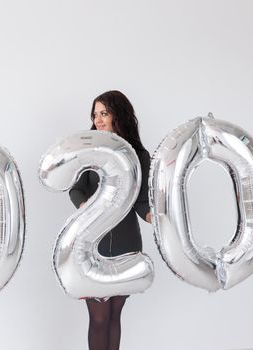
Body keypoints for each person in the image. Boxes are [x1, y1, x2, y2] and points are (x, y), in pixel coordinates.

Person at [69, 90, 151, 350]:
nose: (98, 119)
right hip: (93, 244)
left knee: (115, 313)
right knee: (99, 316)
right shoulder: (90, 151)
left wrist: (153, 216)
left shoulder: (139, 154)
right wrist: (87, 208)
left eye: (104, 113)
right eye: (95, 115)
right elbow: (76, 188)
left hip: (127, 244)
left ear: (119, 114)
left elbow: (140, 200)